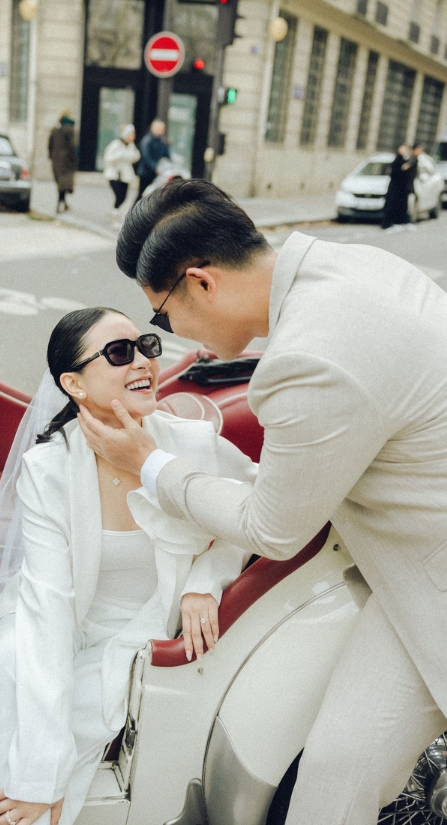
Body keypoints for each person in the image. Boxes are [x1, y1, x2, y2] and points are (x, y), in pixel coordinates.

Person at [77, 178, 447, 825]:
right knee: (336, 772)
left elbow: (271, 527)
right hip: (411, 571)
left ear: (202, 281)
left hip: (432, 579)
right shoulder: (350, 263)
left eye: (161, 317)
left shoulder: (311, 358)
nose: (168, 336)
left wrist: (149, 463)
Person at [0, 306, 253, 825]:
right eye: (119, 353)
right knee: (3, 678)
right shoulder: (47, 467)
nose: (141, 361)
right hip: (54, 616)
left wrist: (205, 582)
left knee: (78, 708)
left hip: (134, 626)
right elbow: (49, 607)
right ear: (73, 383)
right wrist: (39, 774)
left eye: (146, 347)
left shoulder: (190, 444)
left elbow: (255, 508)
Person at [102, 124, 140, 222]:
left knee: (124, 196)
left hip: (125, 175)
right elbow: (108, 158)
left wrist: (128, 156)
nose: (133, 136)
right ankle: (115, 212)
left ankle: (113, 210)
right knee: (119, 195)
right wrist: (120, 156)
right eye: (131, 134)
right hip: (114, 174)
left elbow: (136, 156)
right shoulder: (115, 144)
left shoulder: (131, 146)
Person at [135, 119, 170, 203]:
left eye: (162, 128)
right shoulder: (147, 140)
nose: (161, 130)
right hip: (146, 172)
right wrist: (155, 168)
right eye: (159, 128)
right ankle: (133, 212)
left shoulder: (162, 140)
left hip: (158, 173)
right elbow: (146, 157)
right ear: (153, 128)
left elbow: (167, 155)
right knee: (142, 194)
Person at [48, 111, 76, 214]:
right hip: (67, 161)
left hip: (56, 161)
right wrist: (74, 161)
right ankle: (60, 205)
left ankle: (62, 204)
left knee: (61, 184)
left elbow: (50, 145)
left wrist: (51, 156)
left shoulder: (55, 130)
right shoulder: (70, 131)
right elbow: (72, 147)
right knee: (63, 184)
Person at [381, 143, 412, 231]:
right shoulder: (397, 160)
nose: (404, 150)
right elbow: (393, 172)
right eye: (402, 148)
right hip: (395, 188)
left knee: (401, 205)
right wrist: (402, 169)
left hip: (401, 189)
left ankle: (399, 222)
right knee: (391, 205)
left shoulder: (405, 159)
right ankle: (388, 223)